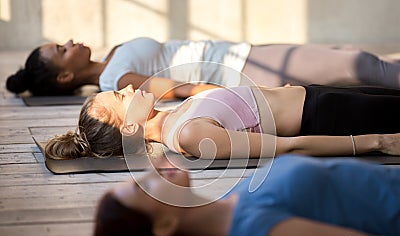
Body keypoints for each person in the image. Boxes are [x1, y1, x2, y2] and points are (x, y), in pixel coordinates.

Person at [93, 154, 400, 236]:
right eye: (144, 187)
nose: (152, 172)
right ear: (163, 226)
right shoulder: (258, 233)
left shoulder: (233, 199)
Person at [45, 83, 400, 160]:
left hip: (319, 95)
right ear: (129, 128)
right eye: (121, 97)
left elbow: (238, 102)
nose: (127, 88)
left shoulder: (174, 114)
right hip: (328, 116)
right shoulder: (189, 135)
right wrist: (378, 142)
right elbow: (291, 146)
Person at [6, 37, 400, 97]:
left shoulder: (114, 54)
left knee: (354, 62)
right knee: (361, 66)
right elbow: (178, 89)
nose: (71, 41)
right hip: (246, 71)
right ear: (64, 76)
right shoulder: (115, 79)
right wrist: (250, 99)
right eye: (62, 49)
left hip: (244, 52)